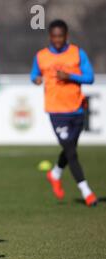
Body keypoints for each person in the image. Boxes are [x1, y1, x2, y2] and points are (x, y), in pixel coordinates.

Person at [31, 19, 97, 207]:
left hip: (77, 109)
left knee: (70, 149)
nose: (57, 40)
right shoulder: (41, 56)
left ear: (66, 36)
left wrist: (70, 76)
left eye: (61, 36)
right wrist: (35, 79)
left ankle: (55, 173)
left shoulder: (77, 53)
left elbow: (90, 77)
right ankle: (87, 192)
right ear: (50, 37)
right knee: (71, 151)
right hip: (56, 111)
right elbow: (34, 75)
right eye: (54, 36)